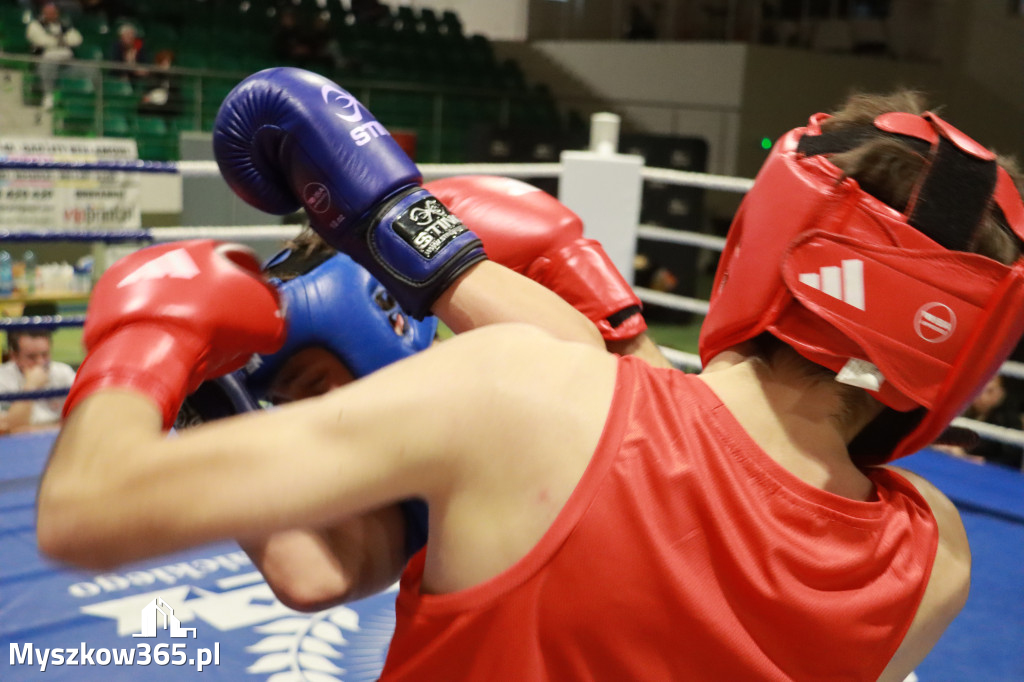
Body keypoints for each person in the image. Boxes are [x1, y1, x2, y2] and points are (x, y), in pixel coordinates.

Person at [37, 68, 1024, 680]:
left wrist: (149, 338)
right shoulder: (930, 559)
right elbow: (655, 433)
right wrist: (399, 222)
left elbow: (89, 508)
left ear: (766, 239)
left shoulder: (519, 402)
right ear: (967, 349)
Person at [938, 374, 1024, 469]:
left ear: (1000, 394)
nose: (981, 395)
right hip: (952, 465)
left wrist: (983, 460)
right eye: (979, 388)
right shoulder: (961, 411)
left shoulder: (1009, 420)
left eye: (989, 391)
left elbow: (1014, 458)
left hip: (988, 474)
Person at [0, 329, 76, 432]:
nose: (40, 362)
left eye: (45, 355)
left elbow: (82, 419)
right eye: (31, 357)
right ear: (14, 357)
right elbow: (5, 428)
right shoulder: (3, 377)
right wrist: (31, 386)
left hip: (58, 442)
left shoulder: (63, 372)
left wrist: (27, 430)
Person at [24, 1, 83, 110]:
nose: (51, 15)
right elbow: (40, 40)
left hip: (66, 60)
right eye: (48, 13)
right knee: (48, 62)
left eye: (54, 13)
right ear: (43, 13)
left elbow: (77, 39)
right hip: (45, 59)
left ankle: (81, 101)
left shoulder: (64, 25)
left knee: (90, 69)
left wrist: (55, 41)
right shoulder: (35, 25)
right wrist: (62, 41)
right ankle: (48, 95)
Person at [137, 49, 183, 120]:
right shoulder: (152, 76)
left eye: (168, 62)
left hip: (169, 103)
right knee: (144, 107)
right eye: (163, 63)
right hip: (154, 102)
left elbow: (174, 91)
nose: (165, 65)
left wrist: (168, 75)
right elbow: (149, 90)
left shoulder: (174, 76)